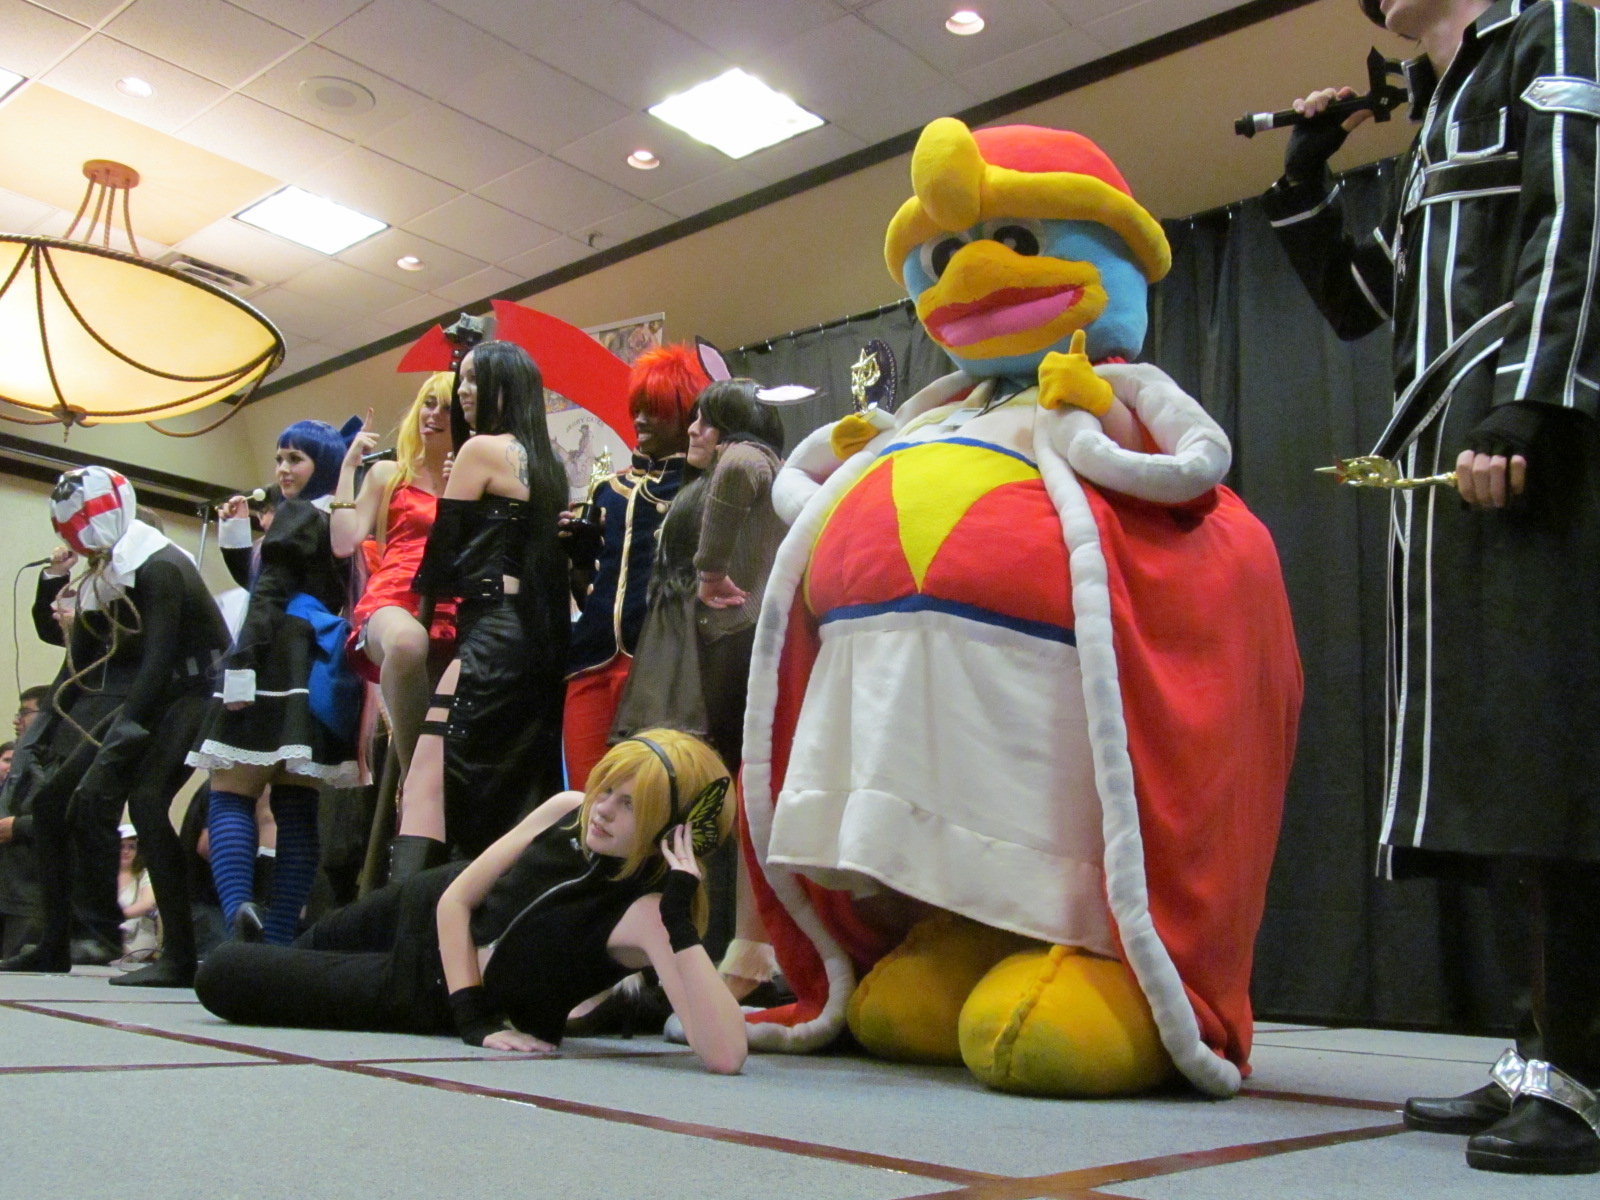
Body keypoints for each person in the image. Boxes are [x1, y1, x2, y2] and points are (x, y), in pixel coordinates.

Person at [1261, 0, 1600, 1174]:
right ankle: (1536, 1052)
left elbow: (1581, 212)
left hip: (1537, 448)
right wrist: (1306, 181)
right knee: (1497, 769)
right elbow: (1370, 305)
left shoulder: (1556, 26)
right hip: (1454, 456)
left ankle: (1582, 1074)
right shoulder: (1441, 109)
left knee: (1549, 761)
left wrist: (1532, 401)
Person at [193, 730, 747, 1073]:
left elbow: (725, 1054)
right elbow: (457, 899)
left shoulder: (649, 915)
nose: (602, 809)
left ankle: (265, 951)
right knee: (301, 951)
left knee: (222, 973)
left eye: (629, 805)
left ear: (673, 830)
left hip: (422, 989)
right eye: (607, 789)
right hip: (426, 905)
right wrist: (475, 1020)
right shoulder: (567, 808)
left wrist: (679, 917)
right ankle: (279, 946)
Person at [0, 468, 230, 986]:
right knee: (51, 802)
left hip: (195, 690)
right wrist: (40, 734)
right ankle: (53, 943)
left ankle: (179, 957)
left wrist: (120, 737)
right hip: (152, 690)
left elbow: (159, 660)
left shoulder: (160, 566)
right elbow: (79, 667)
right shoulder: (103, 574)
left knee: (147, 802)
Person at [392, 341, 569, 878]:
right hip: (532, 641)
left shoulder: (479, 451)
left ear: (504, 388)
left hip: (488, 633)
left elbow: (440, 561)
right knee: (504, 791)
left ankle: (403, 916)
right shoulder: (549, 466)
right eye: (461, 378)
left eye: (474, 380)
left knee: (425, 780)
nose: (462, 391)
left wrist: (451, 488)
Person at [188, 420, 362, 947]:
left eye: (296, 459)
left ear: (322, 465)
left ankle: (239, 920)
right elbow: (264, 577)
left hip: (273, 656)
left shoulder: (297, 513)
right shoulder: (336, 518)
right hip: (313, 661)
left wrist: (241, 664)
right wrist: (238, 535)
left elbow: (268, 593)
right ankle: (280, 937)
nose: (283, 470)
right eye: (280, 458)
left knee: (230, 791)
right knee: (296, 802)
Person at [561, 344, 705, 788]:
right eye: (637, 409)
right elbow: (586, 587)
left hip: (658, 660)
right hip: (591, 656)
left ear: (684, 415)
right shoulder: (608, 488)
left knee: (645, 795)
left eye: (654, 410)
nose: (640, 420)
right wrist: (577, 554)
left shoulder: (700, 488)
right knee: (585, 793)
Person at [330, 372, 457, 778]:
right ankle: (416, 781)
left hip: (454, 608)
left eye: (447, 408)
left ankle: (421, 797)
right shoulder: (389, 474)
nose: (432, 415)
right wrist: (348, 467)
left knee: (452, 732)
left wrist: (461, 493)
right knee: (406, 642)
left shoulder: (473, 480)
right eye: (428, 403)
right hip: (392, 601)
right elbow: (343, 541)